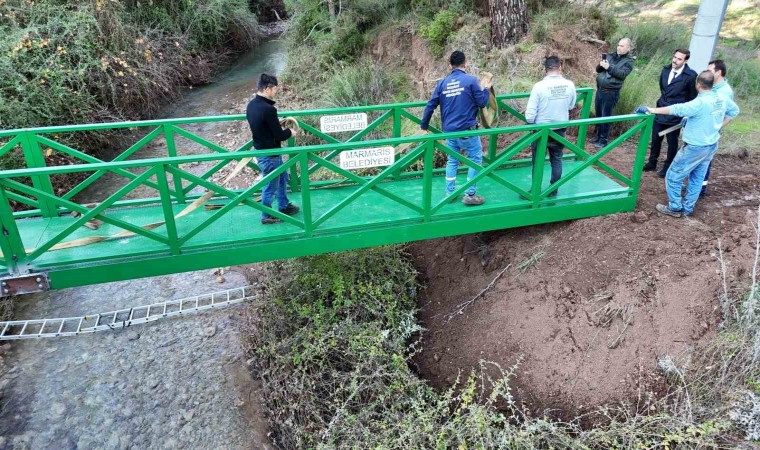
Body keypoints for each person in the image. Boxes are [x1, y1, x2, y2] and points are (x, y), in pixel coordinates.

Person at [637, 70, 739, 218]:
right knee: (697, 178)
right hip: (711, 145)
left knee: (673, 176)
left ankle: (675, 207)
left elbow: (676, 109)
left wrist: (651, 109)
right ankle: (688, 208)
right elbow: (734, 111)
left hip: (695, 147)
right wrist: (717, 126)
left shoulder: (699, 102)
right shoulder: (721, 97)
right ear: (712, 84)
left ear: (698, 84)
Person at [420, 50, 492, 206]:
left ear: (449, 66)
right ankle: (470, 194)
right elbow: (482, 102)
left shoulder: (442, 83)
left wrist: (424, 126)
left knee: (452, 160)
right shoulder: (471, 81)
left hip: (450, 132)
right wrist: (486, 89)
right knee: (475, 158)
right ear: (465, 64)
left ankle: (450, 192)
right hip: (467, 130)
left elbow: (430, 105)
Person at [246, 73, 300, 225]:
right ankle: (266, 215)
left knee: (282, 177)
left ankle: (283, 205)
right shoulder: (269, 110)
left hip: (260, 150)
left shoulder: (251, 105)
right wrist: (290, 132)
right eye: (275, 88)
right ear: (267, 88)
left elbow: (262, 127)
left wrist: (276, 125)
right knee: (270, 185)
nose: (276, 91)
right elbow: (279, 135)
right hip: (270, 154)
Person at [524, 56, 576, 197]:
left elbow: (529, 115)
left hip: (541, 131)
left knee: (538, 161)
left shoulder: (539, 86)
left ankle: (535, 191)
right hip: (560, 129)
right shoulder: (570, 85)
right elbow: (571, 105)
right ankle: (554, 189)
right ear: (560, 67)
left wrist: (531, 122)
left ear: (545, 69)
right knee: (557, 158)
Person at [643, 48, 698, 177]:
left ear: (685, 61)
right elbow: (663, 89)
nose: (675, 60)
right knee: (656, 138)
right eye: (674, 57)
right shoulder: (665, 70)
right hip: (661, 109)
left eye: (679, 59)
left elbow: (691, 97)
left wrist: (684, 113)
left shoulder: (690, 76)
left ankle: (668, 166)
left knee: (672, 142)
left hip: (675, 114)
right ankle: (652, 162)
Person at [700, 59, 735, 197]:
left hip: (710, 131)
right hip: (702, 129)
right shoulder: (712, 87)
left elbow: (730, 114)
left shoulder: (725, 92)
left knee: (705, 160)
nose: (708, 73)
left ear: (718, 72)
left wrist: (717, 127)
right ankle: (695, 184)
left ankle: (701, 189)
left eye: (710, 70)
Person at [591, 37, 634, 148]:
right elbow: (598, 70)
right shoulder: (610, 55)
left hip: (611, 92)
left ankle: (603, 140)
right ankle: (598, 135)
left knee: (606, 117)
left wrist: (609, 67)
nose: (619, 48)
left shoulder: (629, 61)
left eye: (622, 46)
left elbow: (622, 74)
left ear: (628, 48)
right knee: (599, 115)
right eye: (618, 45)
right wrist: (601, 64)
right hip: (600, 89)